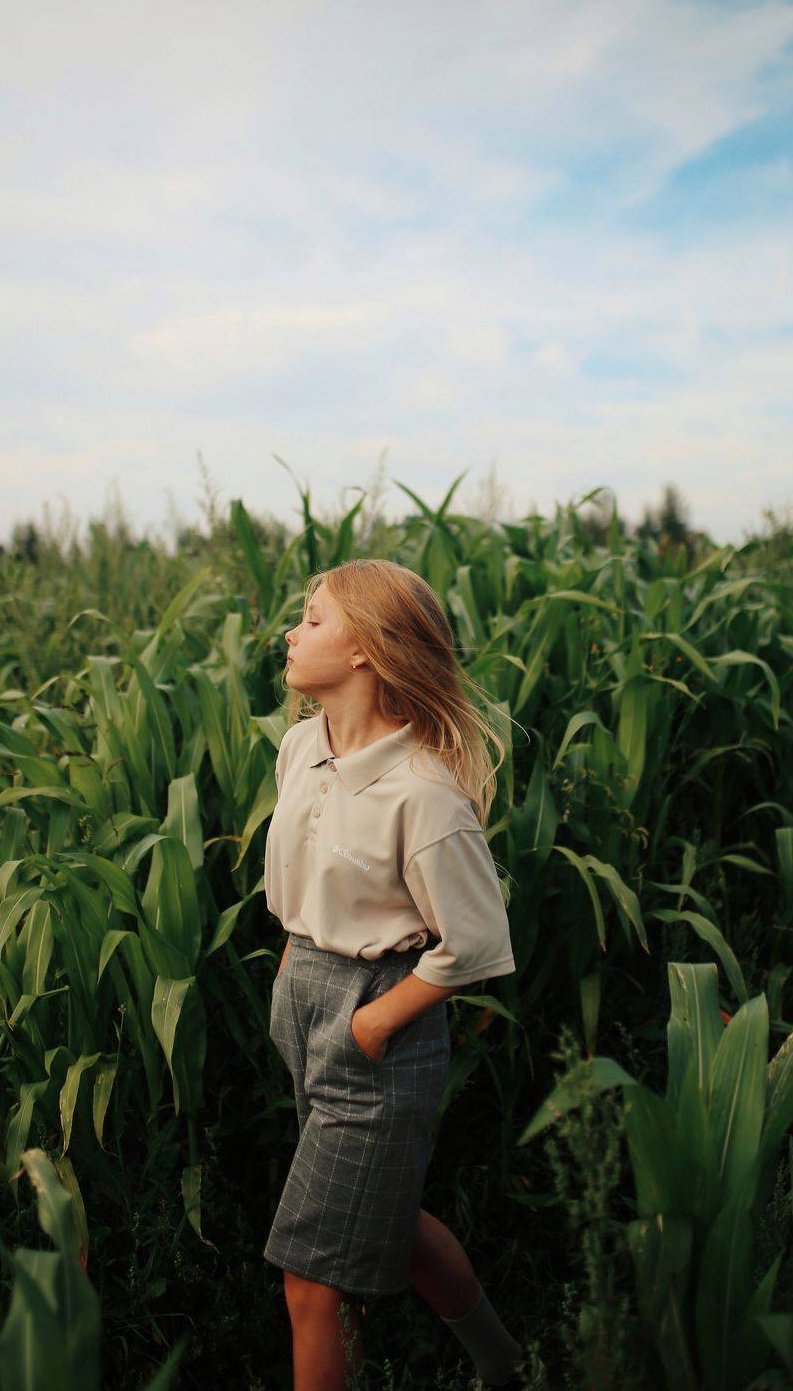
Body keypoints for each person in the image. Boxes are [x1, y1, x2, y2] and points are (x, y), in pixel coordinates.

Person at [263, 558, 526, 1390]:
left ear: (364, 650)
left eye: (312, 619)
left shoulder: (422, 792)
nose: (291, 633)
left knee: (313, 1278)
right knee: (383, 1218)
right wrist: (296, 965)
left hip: (379, 1019)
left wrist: (375, 1021)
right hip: (305, 1000)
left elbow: (474, 941)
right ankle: (507, 1365)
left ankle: (504, 1364)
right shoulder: (300, 746)